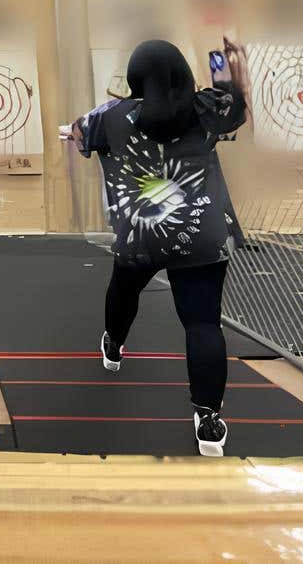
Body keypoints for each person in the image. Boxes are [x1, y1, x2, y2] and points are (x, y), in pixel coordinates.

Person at [64, 38, 250, 456]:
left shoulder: (113, 115)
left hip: (143, 235)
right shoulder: (205, 110)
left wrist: (79, 136)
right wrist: (223, 65)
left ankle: (113, 343)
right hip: (200, 234)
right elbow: (234, 102)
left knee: (124, 289)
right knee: (202, 323)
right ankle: (208, 421)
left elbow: (79, 135)